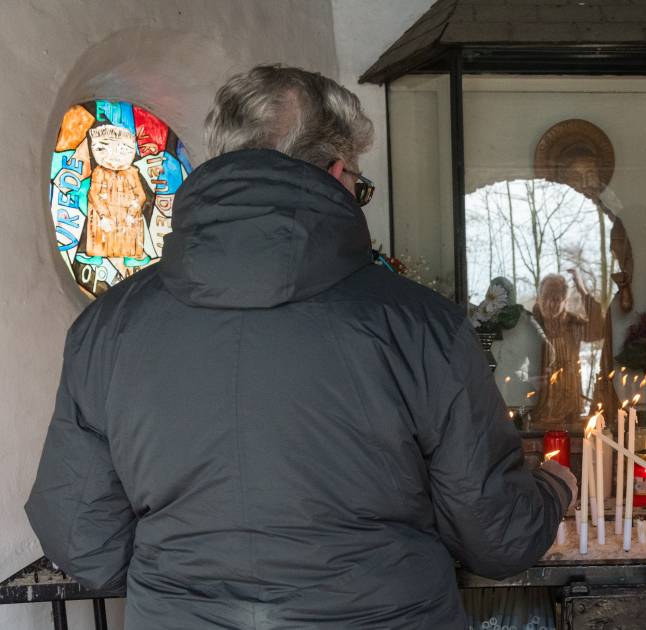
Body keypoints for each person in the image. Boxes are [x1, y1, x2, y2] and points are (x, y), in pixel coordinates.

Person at [26, 64, 576, 629]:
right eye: (360, 188)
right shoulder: (419, 326)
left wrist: (187, 586)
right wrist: (555, 487)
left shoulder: (109, 327)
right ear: (337, 174)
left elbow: (80, 533)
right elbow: (497, 537)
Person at [530, 269, 605, 429]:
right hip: (538, 411)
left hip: (570, 412)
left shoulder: (573, 325)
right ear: (538, 298)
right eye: (546, 298)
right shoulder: (530, 326)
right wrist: (530, 381)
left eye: (556, 299)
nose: (550, 304)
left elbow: (598, 330)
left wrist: (581, 289)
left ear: (565, 301)